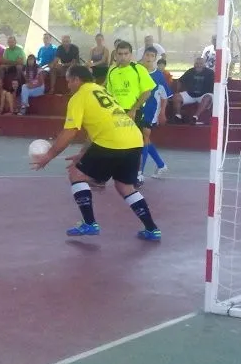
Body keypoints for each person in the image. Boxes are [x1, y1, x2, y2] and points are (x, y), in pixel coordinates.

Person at [31, 65, 162, 241]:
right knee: (125, 186)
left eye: (69, 81)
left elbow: (70, 132)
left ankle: (89, 223)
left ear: (77, 80)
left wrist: (49, 156)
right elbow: (102, 126)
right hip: (133, 139)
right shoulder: (101, 91)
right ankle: (152, 229)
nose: (68, 85)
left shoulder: (79, 97)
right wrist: (83, 153)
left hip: (111, 142)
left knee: (76, 175)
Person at [137, 46, 172, 183]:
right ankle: (161, 165)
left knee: (143, 138)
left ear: (155, 58)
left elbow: (165, 96)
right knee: (144, 139)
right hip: (137, 108)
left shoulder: (159, 76)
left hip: (151, 110)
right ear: (143, 55)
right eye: (147, 55)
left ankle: (140, 173)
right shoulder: (137, 71)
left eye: (152, 56)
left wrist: (162, 113)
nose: (149, 58)